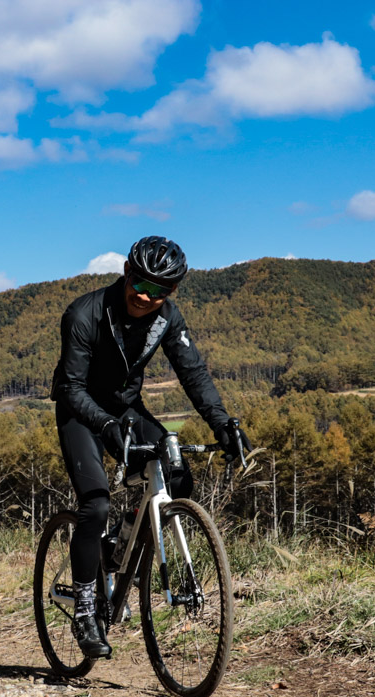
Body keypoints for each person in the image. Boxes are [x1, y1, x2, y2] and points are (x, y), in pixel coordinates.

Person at [50, 235, 251, 658]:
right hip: (79, 411)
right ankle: (87, 611)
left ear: (173, 290)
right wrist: (103, 423)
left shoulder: (168, 317)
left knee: (178, 477)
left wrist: (223, 423)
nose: (147, 295)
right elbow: (70, 387)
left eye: (161, 289)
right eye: (141, 283)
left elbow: (193, 373)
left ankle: (123, 545)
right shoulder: (84, 314)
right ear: (126, 272)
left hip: (124, 408)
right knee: (96, 503)